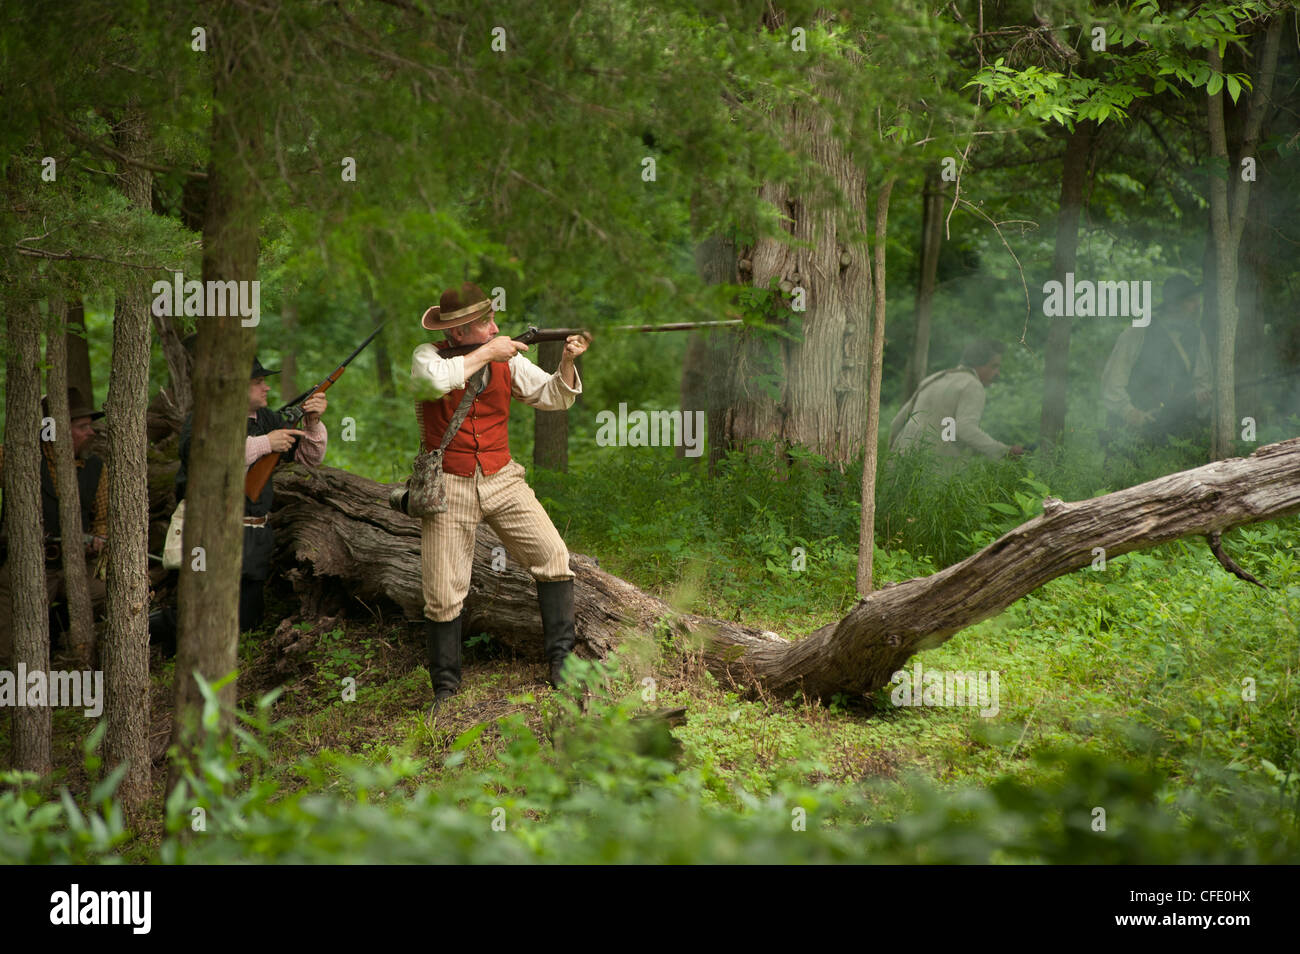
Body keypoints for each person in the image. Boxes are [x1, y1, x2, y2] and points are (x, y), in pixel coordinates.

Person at [409, 281, 588, 706]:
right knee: (442, 592)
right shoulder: (427, 357)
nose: (493, 328)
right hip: (448, 483)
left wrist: (566, 360)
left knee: (554, 556)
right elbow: (435, 384)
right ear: (456, 334)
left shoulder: (507, 359)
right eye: (483, 323)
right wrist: (489, 352)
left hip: (502, 477)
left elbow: (555, 398)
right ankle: (446, 689)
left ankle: (562, 663)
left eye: (491, 320)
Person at [174, 357, 328, 632]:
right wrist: (265, 443)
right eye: (257, 382)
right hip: (212, 531)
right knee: (203, 616)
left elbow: (309, 458)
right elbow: (205, 459)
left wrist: (312, 421)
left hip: (255, 533)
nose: (266, 388)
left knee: (249, 619)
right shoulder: (205, 419)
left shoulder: (268, 419)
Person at [0, 387, 108, 664]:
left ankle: (57, 633)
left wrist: (99, 537)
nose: (91, 432)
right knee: (10, 641)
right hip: (27, 568)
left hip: (73, 567)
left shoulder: (96, 468)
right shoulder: (19, 458)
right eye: (82, 426)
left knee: (105, 595)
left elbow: (102, 518)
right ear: (55, 429)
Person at [1100, 275, 1211, 446]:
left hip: (1176, 435)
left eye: (1197, 300)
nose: (1197, 306)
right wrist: (1130, 413)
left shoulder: (1197, 336)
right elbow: (1112, 383)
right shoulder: (1137, 332)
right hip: (1130, 435)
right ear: (1174, 305)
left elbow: (1203, 383)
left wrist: (1198, 400)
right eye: (1190, 301)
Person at [889, 339, 1024, 462]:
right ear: (979, 364)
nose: (997, 373)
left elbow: (896, 424)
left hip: (900, 465)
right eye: (994, 366)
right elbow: (965, 429)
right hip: (930, 471)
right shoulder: (972, 385)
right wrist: (1004, 451)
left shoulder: (933, 378)